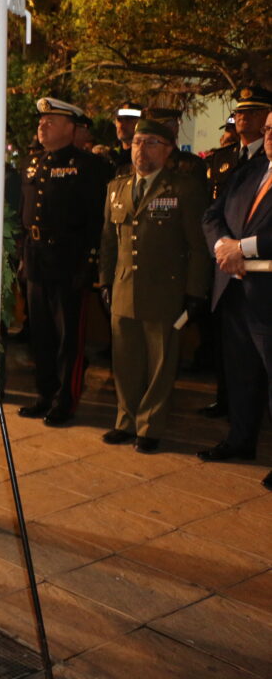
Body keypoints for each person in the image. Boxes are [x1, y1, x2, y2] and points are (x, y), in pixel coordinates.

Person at [98, 119, 210, 453]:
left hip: (165, 290)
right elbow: (107, 241)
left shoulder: (184, 189)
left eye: (150, 143)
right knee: (125, 361)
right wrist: (104, 280)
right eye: (136, 142)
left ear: (168, 150)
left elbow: (197, 247)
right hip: (122, 288)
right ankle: (126, 420)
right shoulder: (116, 187)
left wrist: (195, 292)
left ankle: (150, 426)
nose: (140, 149)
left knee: (161, 364)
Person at [18, 97, 112, 425]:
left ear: (71, 128)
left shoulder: (89, 166)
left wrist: (89, 262)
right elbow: (24, 215)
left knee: (68, 338)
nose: (42, 125)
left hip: (69, 260)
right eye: (41, 121)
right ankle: (45, 394)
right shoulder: (32, 163)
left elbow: (97, 220)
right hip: (36, 258)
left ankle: (66, 400)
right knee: (40, 335)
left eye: (51, 121)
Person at [199, 109, 272, 492]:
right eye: (270, 129)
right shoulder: (248, 171)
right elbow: (212, 214)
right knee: (239, 372)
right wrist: (222, 247)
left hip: (267, 293)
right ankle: (241, 440)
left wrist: (240, 247)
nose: (270, 135)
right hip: (234, 288)